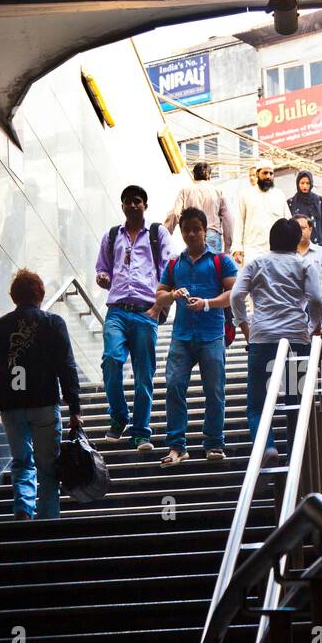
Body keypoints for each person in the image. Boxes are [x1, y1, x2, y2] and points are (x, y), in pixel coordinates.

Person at [0, 269, 84, 520]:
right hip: (45, 405)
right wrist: (75, 409)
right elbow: (67, 368)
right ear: (40, 294)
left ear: (14, 296)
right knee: (48, 467)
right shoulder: (53, 323)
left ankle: (23, 510)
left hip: (11, 407)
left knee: (21, 461)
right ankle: (49, 520)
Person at [230, 218, 322, 465]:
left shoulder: (256, 263)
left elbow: (236, 296)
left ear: (271, 239)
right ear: (297, 240)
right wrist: (315, 326)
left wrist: (244, 324)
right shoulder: (304, 265)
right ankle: (294, 456)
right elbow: (316, 298)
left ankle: (268, 447)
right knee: (295, 400)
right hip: (296, 338)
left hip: (262, 339)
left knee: (256, 405)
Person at [155, 207, 237, 467]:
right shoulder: (173, 264)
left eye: (196, 229)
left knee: (214, 390)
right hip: (181, 336)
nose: (191, 234)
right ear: (181, 232)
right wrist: (172, 296)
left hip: (212, 335)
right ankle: (177, 446)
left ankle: (214, 442)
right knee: (173, 387)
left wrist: (207, 304)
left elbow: (233, 293)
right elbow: (159, 295)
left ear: (205, 231)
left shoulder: (220, 260)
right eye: (186, 229)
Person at [95, 184, 174, 451]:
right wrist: (103, 278)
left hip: (145, 312)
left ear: (145, 205)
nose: (132, 205)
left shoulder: (156, 233)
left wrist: (158, 306)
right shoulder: (111, 236)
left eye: (137, 201)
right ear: (122, 206)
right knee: (111, 361)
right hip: (117, 310)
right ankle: (119, 417)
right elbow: (103, 269)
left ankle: (141, 432)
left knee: (144, 375)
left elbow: (168, 269)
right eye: (127, 201)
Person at [164, 161, 233, 254]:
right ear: (209, 176)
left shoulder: (185, 191)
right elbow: (228, 219)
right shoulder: (218, 192)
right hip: (212, 234)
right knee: (213, 267)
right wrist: (227, 247)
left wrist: (165, 234)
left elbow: (175, 213)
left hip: (193, 234)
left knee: (196, 266)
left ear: (194, 175)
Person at [233, 161, 291, 266]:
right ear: (257, 174)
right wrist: (237, 247)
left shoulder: (279, 195)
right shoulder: (245, 195)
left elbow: (288, 222)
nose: (268, 176)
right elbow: (239, 222)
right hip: (252, 249)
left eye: (271, 173)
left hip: (276, 250)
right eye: (265, 173)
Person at [287, 170, 322, 248]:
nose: (305, 186)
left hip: (318, 243)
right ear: (298, 184)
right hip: (299, 245)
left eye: (308, 183)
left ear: (311, 184)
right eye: (302, 183)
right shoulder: (291, 203)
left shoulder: (318, 200)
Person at [295, 214, 322, 286]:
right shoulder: (286, 254)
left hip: (320, 296)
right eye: (295, 228)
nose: (299, 231)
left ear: (310, 229)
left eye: (302, 228)